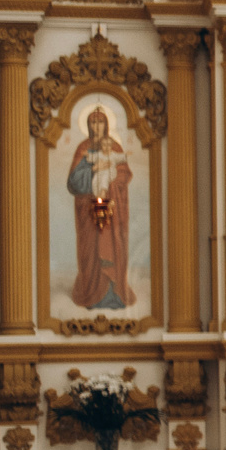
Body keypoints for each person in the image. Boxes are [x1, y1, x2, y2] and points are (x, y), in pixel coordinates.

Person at [67, 108, 133, 310]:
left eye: (100, 123)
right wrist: (93, 170)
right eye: (93, 123)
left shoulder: (114, 147)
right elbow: (73, 182)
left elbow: (124, 173)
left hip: (112, 209)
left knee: (113, 247)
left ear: (106, 125)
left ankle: (114, 294)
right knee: (90, 251)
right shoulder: (82, 148)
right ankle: (91, 294)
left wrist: (110, 176)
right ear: (88, 126)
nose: (97, 127)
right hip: (88, 209)